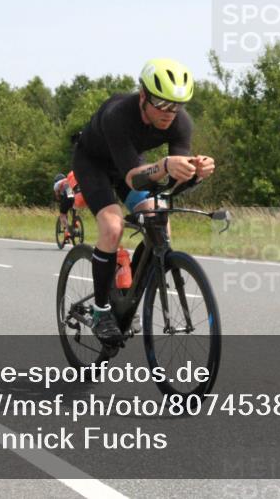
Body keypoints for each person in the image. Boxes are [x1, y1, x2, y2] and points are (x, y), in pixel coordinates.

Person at [72, 58, 215, 345]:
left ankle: (128, 295)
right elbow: (132, 179)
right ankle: (101, 311)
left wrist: (195, 173)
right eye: (162, 104)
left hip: (130, 166)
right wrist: (164, 164)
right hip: (95, 163)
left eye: (177, 105)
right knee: (112, 227)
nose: (169, 113)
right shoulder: (118, 115)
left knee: (160, 223)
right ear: (143, 96)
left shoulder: (180, 122)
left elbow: (169, 187)